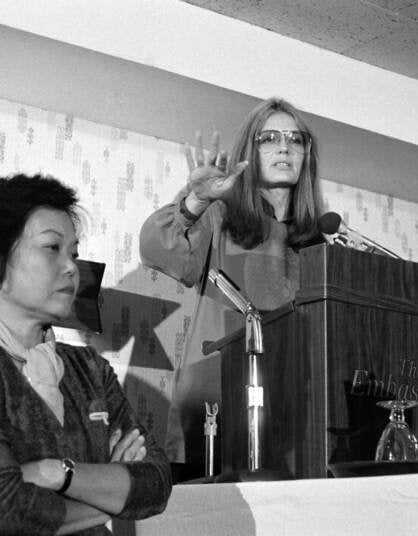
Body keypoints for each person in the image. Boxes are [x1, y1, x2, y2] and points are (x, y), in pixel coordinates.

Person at [0, 174, 172, 535]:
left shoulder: (89, 368)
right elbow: (0, 508)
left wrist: (54, 472)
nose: (71, 267)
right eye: (52, 248)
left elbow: (156, 484)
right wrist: (109, 495)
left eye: (74, 253)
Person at [140, 98, 323, 473]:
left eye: (295, 139)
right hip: (215, 401)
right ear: (249, 152)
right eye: (269, 138)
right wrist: (195, 201)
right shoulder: (220, 217)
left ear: (307, 155)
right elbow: (156, 248)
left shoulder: (317, 244)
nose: (284, 147)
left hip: (292, 409)